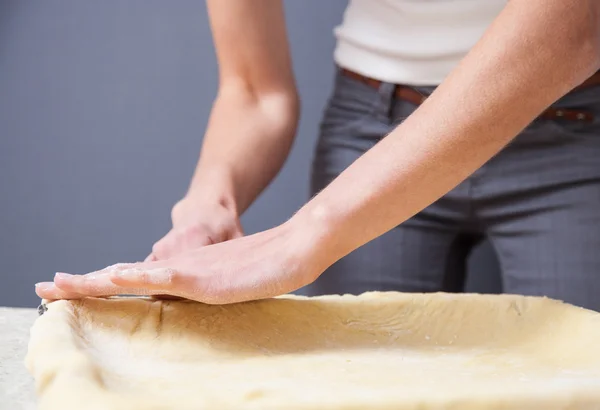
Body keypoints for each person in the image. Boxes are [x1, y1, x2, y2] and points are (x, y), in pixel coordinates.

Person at [35, 0, 600, 310]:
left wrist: (306, 236)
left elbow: (576, 24)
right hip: (372, 124)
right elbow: (256, 91)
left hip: (571, 125)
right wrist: (207, 205)